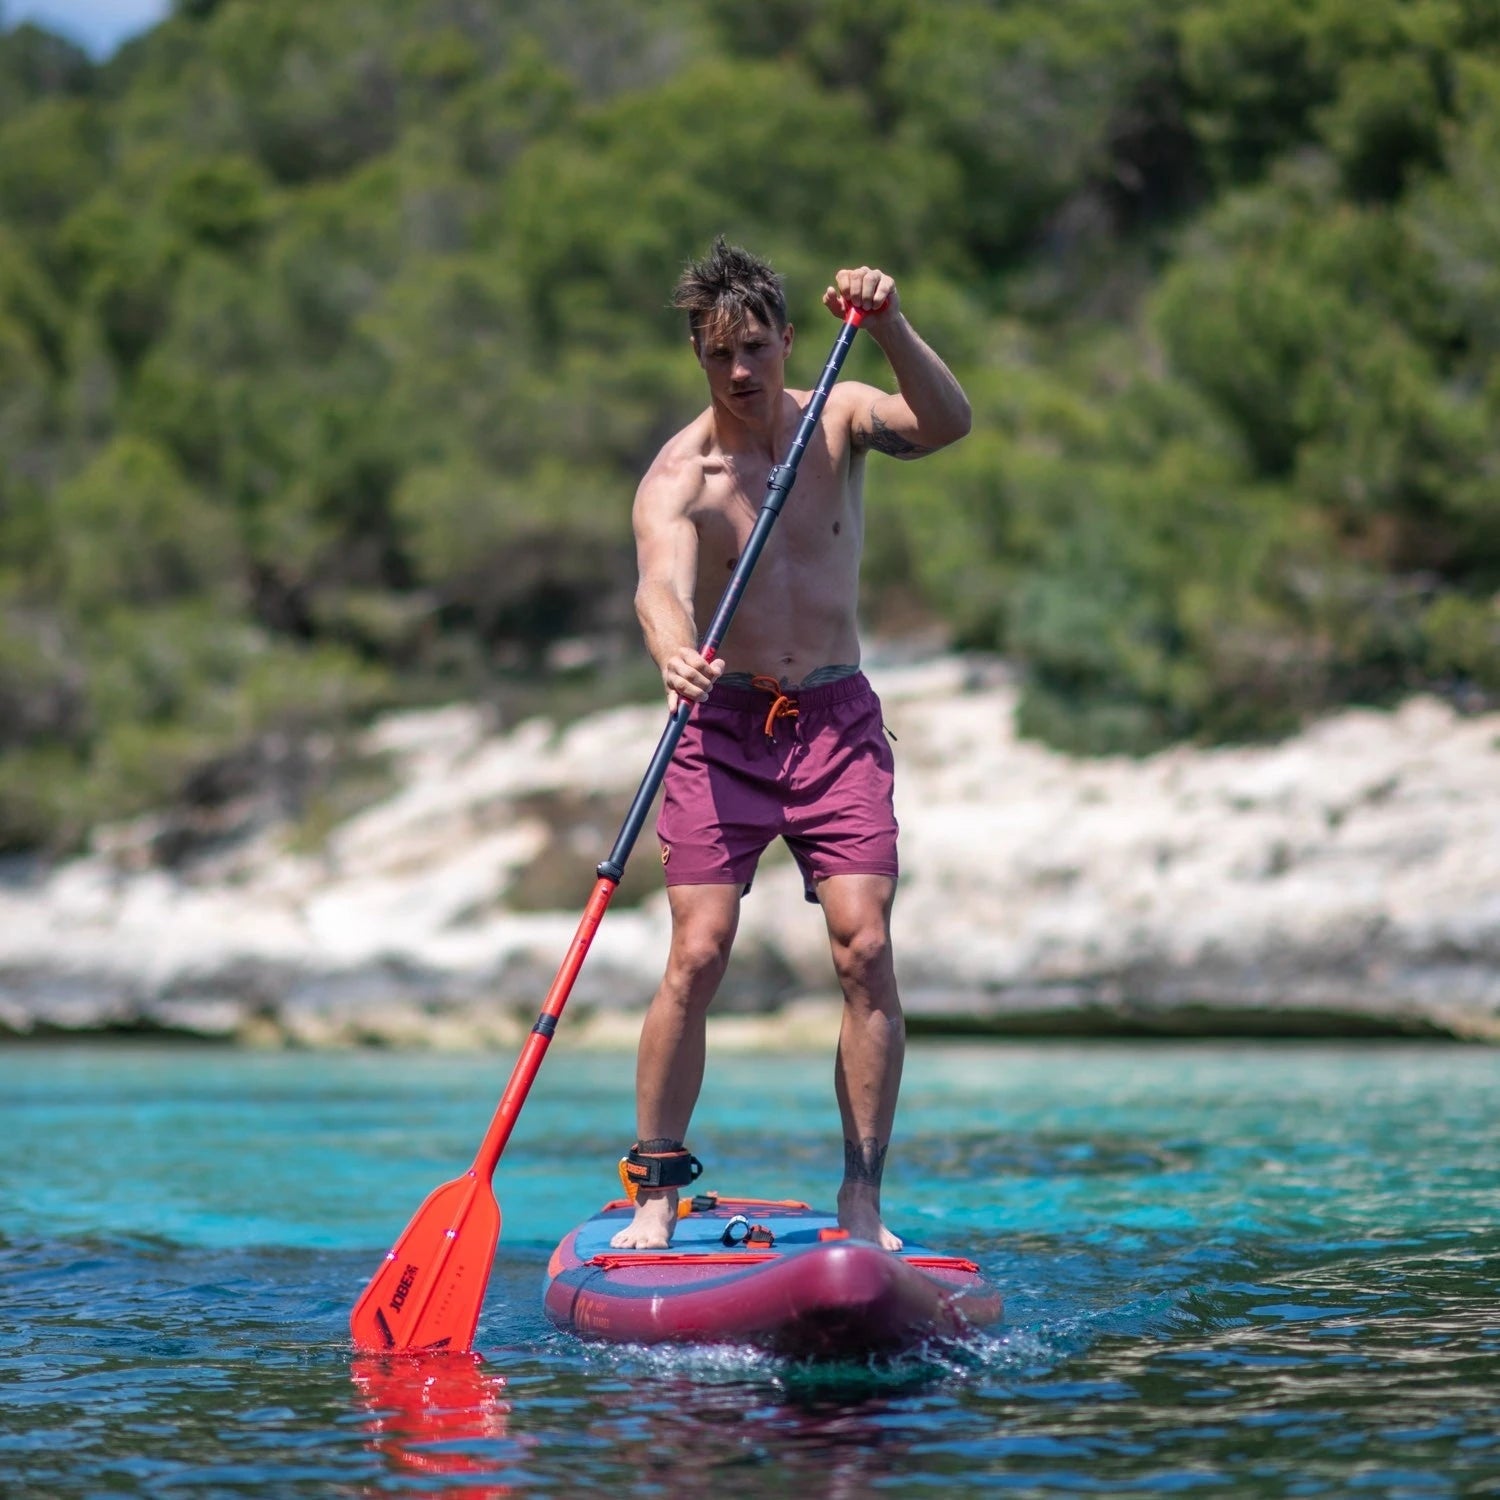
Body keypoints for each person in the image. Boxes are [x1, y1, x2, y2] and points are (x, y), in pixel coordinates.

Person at [611, 238, 972, 1251]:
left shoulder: (842, 418)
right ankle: (657, 1188)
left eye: (756, 346)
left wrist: (892, 322)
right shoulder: (683, 475)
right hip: (720, 727)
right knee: (700, 949)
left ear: (787, 340)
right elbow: (660, 583)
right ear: (696, 354)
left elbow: (948, 424)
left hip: (835, 721)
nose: (741, 371)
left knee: (865, 945)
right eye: (719, 352)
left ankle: (862, 1199)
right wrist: (673, 649)